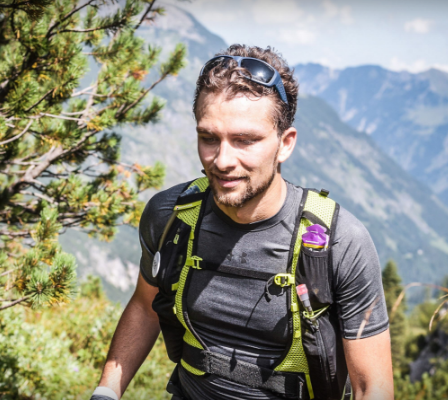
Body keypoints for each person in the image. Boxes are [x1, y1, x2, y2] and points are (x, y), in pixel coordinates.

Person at [91, 44, 394, 400]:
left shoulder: (338, 242)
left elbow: (372, 387)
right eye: (209, 138)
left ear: (285, 144)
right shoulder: (172, 216)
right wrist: (107, 391)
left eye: (245, 141)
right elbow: (145, 307)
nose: (222, 160)